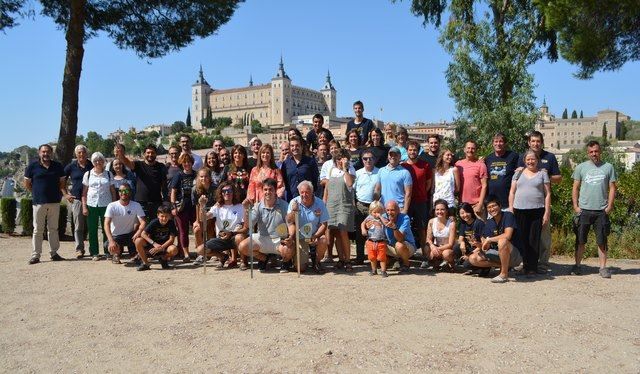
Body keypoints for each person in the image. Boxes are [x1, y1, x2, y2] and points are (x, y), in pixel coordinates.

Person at [571, 140, 617, 278]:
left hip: (601, 211)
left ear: (600, 151)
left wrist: (609, 206)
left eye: (596, 151)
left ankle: (603, 268)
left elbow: (612, 187)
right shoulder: (581, 167)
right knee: (580, 241)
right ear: (587, 153)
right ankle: (577, 266)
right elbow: (575, 187)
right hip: (584, 210)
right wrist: (575, 206)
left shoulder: (609, 167)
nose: (594, 154)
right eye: (591, 152)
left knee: (602, 241)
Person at [518, 131, 561, 273]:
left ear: (542, 142)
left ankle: (542, 264)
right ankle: (525, 263)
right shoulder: (523, 157)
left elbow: (558, 178)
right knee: (525, 235)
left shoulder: (550, 157)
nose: (536, 143)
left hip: (542, 203)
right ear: (529, 143)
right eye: (533, 141)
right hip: (525, 205)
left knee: (543, 237)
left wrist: (544, 174)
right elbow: (519, 174)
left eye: (538, 141)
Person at [508, 150, 551, 276]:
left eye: (533, 159)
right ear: (524, 161)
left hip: (537, 210)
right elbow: (512, 192)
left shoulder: (542, 174)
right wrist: (511, 208)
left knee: (534, 239)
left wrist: (547, 212)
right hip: (519, 210)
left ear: (537, 160)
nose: (530, 161)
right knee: (522, 239)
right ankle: (523, 265)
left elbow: (547, 194)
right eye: (528, 159)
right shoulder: (518, 173)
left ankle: (532, 267)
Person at [238, 178, 293, 273]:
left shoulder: (284, 205)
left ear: (275, 190)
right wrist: (246, 210)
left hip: (279, 239)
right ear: (262, 190)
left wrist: (291, 237)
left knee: (289, 249)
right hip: (262, 238)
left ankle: (286, 262)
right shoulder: (258, 206)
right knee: (242, 246)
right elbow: (248, 225)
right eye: (265, 189)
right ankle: (263, 258)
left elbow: (291, 224)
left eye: (271, 189)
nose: (268, 192)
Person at [25, 144, 67, 264]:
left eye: (48, 152)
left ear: (51, 153)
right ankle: (36, 255)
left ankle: (54, 253)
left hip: (54, 202)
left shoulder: (57, 166)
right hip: (38, 202)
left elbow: (62, 183)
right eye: (43, 152)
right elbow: (27, 183)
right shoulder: (32, 167)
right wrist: (36, 192)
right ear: (39, 153)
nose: (45, 154)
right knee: (37, 229)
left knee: (53, 229)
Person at [468, 196, 522, 283]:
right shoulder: (489, 222)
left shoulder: (508, 215)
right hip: (498, 254)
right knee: (472, 258)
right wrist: (478, 244)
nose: (492, 209)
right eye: (489, 207)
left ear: (500, 206)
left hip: (515, 255)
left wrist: (489, 240)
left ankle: (504, 275)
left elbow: (507, 235)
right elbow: (486, 247)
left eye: (494, 206)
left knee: (502, 241)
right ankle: (506, 266)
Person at [194, 181, 247, 269]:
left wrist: (231, 233)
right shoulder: (217, 207)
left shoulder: (240, 206)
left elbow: (244, 226)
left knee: (239, 237)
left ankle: (243, 261)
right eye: (224, 191)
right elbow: (203, 218)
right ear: (220, 193)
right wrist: (202, 205)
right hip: (221, 238)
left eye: (230, 190)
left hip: (235, 236)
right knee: (200, 250)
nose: (227, 193)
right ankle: (222, 257)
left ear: (233, 192)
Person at [322, 147, 356, 271]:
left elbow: (349, 184)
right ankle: (341, 259)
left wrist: (345, 168)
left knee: (343, 231)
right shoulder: (331, 170)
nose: (338, 161)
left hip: (344, 205)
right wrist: (324, 204)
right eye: (337, 159)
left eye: (341, 158)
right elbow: (327, 188)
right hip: (331, 205)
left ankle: (348, 260)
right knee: (336, 233)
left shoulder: (350, 169)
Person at [287, 180, 330, 273]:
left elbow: (324, 224)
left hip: (314, 236)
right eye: (302, 192)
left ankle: (317, 262)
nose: (304, 194)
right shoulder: (294, 202)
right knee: (301, 268)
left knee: (323, 240)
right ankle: (297, 260)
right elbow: (289, 221)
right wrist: (294, 212)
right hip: (301, 237)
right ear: (299, 192)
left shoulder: (320, 203)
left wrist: (316, 236)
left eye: (307, 192)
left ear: (312, 192)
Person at [82, 152, 117, 261]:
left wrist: (114, 205)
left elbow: (112, 191)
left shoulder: (108, 174)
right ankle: (94, 252)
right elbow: (84, 192)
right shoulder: (88, 174)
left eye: (100, 160)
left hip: (106, 204)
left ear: (103, 161)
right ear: (92, 162)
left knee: (106, 229)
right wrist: (84, 206)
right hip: (92, 204)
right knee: (92, 229)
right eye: (95, 160)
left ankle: (108, 251)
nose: (98, 162)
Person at [119, 144, 167, 218]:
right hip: (141, 203)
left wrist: (166, 200)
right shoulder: (138, 165)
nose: (150, 154)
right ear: (144, 154)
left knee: (155, 226)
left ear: (156, 154)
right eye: (148, 153)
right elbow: (127, 163)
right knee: (141, 226)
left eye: (152, 153)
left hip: (157, 202)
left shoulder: (161, 166)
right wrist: (121, 155)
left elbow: (164, 185)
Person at [104, 182, 146, 264]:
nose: (124, 193)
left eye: (126, 191)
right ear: (118, 192)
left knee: (141, 237)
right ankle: (116, 254)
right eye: (121, 191)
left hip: (131, 235)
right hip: (116, 236)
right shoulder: (112, 206)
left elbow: (143, 222)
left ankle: (134, 254)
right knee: (109, 245)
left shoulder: (136, 205)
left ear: (130, 192)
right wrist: (111, 240)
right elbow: (106, 224)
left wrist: (138, 232)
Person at [401, 140, 432, 249]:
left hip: (421, 201)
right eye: (410, 150)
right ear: (407, 151)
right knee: (403, 227)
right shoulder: (402, 166)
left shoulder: (425, 165)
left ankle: (425, 254)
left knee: (422, 228)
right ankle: (404, 253)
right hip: (406, 202)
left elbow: (429, 183)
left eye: (415, 150)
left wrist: (422, 192)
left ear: (418, 151)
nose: (412, 152)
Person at [64, 144, 93, 258]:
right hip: (76, 200)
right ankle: (79, 249)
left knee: (91, 226)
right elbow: (61, 180)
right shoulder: (71, 166)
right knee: (78, 226)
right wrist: (66, 194)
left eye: (83, 152)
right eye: (79, 152)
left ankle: (93, 249)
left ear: (86, 153)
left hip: (92, 199)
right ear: (76, 154)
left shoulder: (92, 165)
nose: (81, 154)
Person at [353, 149, 381, 264]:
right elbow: (353, 190)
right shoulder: (357, 173)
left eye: (370, 158)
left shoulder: (380, 172)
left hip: (374, 206)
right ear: (362, 160)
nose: (368, 160)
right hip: (360, 205)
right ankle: (360, 258)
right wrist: (354, 205)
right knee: (360, 234)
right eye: (365, 158)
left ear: (374, 159)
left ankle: (376, 258)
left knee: (376, 233)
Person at [134, 204, 179, 271]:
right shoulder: (154, 222)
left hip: (164, 246)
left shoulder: (171, 223)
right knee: (138, 241)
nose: (164, 218)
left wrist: (161, 248)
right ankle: (145, 263)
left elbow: (171, 239)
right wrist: (154, 243)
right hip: (152, 246)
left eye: (166, 216)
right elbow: (143, 234)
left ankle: (163, 259)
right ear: (158, 215)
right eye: (162, 216)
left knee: (174, 249)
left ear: (169, 216)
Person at [170, 153, 197, 261]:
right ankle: (186, 254)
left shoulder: (196, 174)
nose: (187, 164)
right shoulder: (179, 175)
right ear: (182, 163)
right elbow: (173, 192)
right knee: (183, 231)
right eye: (185, 162)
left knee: (197, 229)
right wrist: (173, 207)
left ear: (192, 163)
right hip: (182, 206)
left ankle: (199, 251)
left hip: (194, 206)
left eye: (189, 162)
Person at [381, 200, 417, 273]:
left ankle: (406, 264)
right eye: (387, 210)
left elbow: (400, 239)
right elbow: (369, 218)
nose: (389, 213)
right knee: (375, 243)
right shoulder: (383, 217)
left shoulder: (405, 218)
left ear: (398, 210)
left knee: (399, 245)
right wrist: (366, 225)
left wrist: (394, 228)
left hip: (407, 247)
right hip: (392, 246)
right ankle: (391, 261)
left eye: (392, 210)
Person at [485, 133, 519, 209]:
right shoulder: (488, 159)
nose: (498, 144)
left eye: (501, 141)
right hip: (492, 203)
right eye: (496, 141)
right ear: (492, 144)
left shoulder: (513, 156)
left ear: (505, 143)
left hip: (509, 202)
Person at [281, 136, 319, 201]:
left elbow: (315, 180)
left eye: (297, 145)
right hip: (291, 199)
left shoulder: (310, 162)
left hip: (307, 199)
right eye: (292, 146)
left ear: (301, 146)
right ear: (290, 148)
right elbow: (284, 181)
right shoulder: (286, 163)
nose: (294, 148)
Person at [455, 140, 488, 218]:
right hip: (463, 205)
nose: (470, 150)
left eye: (473, 148)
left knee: (480, 229)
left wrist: (480, 204)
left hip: (476, 204)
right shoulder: (458, 164)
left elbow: (484, 185)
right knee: (466, 230)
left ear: (476, 150)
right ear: (464, 149)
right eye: (468, 148)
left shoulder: (480, 164)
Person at [377, 146, 412, 214]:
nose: (393, 157)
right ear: (388, 156)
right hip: (383, 208)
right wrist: (376, 205)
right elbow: (377, 189)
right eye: (391, 155)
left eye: (395, 155)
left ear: (400, 157)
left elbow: (408, 193)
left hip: (398, 208)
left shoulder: (405, 172)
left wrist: (405, 210)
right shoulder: (381, 170)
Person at [424, 199, 457, 271]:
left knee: (446, 254)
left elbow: (451, 244)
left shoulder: (451, 223)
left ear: (446, 210)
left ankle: (451, 263)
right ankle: (436, 263)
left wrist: (437, 249)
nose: (439, 212)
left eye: (442, 209)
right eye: (437, 209)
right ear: (435, 211)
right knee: (427, 248)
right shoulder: (431, 221)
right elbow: (428, 239)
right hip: (437, 246)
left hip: (448, 248)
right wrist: (433, 247)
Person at [454, 203, 486, 275]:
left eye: (467, 212)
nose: (465, 215)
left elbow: (484, 244)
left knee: (466, 264)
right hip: (470, 248)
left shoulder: (479, 223)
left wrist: (469, 255)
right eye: (462, 213)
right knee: (456, 247)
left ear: (471, 211)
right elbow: (460, 239)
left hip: (479, 249)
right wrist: (462, 243)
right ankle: (473, 268)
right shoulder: (463, 224)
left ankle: (483, 268)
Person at [361, 201, 388, 277]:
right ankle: (374, 270)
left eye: (379, 212)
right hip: (371, 240)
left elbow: (386, 223)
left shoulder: (383, 218)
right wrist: (363, 229)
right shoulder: (369, 217)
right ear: (370, 212)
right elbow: (363, 223)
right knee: (372, 257)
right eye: (374, 212)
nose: (376, 214)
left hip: (381, 241)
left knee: (382, 257)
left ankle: (383, 271)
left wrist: (380, 217)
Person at [192, 168, 217, 249]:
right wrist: (197, 220)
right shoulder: (195, 189)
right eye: (201, 176)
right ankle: (201, 251)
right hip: (201, 212)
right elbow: (196, 205)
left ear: (210, 177)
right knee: (197, 229)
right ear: (198, 177)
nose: (204, 179)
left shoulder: (215, 188)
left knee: (210, 227)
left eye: (206, 176)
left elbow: (218, 203)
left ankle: (212, 251)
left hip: (213, 213)